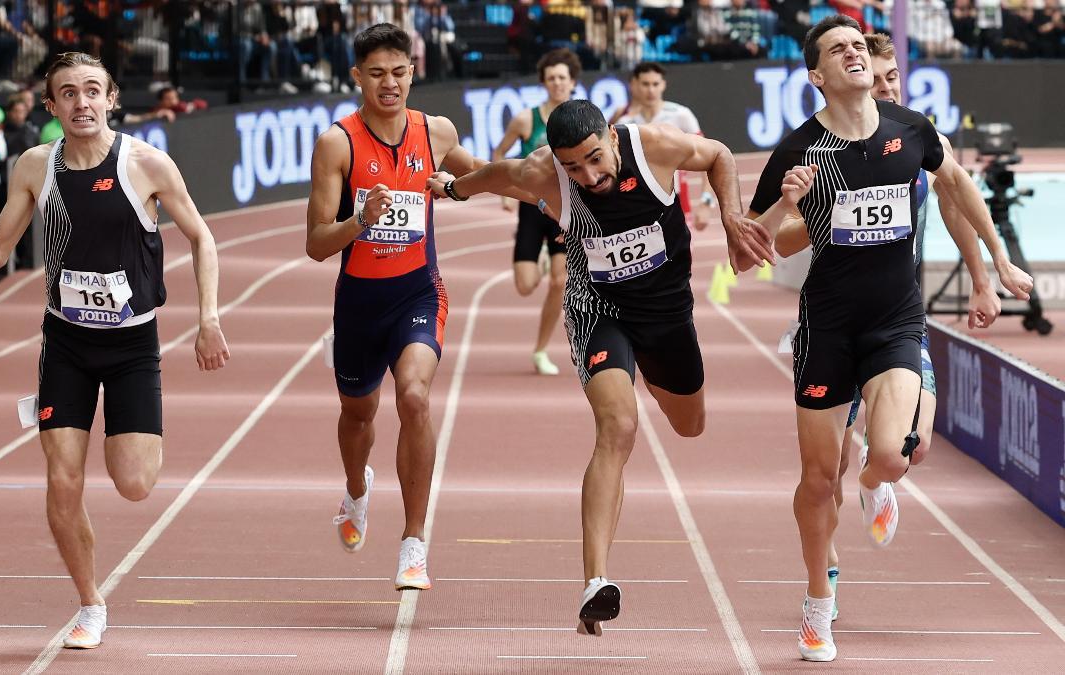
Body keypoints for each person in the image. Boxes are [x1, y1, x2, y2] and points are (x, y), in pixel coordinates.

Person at [746, 15, 1033, 662]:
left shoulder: (912, 131)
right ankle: (819, 597)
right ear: (817, 76)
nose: (853, 51)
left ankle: (880, 479)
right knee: (820, 480)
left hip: (897, 319)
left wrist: (999, 262)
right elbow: (744, 256)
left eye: (859, 44)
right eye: (838, 48)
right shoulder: (797, 151)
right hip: (827, 326)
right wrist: (783, 206)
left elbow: (956, 185)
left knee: (896, 454)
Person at [426, 99, 773, 635]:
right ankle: (596, 582)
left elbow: (720, 154)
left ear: (612, 136)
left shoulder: (653, 146)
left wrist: (731, 216)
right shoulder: (547, 172)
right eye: (573, 168)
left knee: (690, 424)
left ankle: (653, 378)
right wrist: (453, 187)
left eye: (594, 159)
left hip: (666, 314)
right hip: (598, 310)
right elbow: (498, 176)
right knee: (618, 426)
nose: (588, 176)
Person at [0, 51, 230, 650]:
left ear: (112, 99)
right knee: (62, 478)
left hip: (132, 345)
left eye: (92, 90)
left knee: (133, 483)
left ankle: (129, 433)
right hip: (66, 343)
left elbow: (203, 239)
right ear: (51, 107)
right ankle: (90, 603)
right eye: (68, 93)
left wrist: (208, 318)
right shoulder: (33, 167)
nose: (82, 102)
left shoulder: (146, 164)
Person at [305, 23, 505, 591]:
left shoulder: (434, 132)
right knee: (358, 415)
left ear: (413, 72)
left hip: (419, 292)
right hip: (360, 303)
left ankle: (413, 543)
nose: (388, 84)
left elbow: (482, 176)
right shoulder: (337, 143)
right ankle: (356, 491)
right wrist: (359, 222)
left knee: (414, 397)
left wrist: (534, 191)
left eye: (398, 72)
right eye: (376, 74)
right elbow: (316, 243)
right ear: (356, 78)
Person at [490, 48, 579, 376]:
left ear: (572, 83)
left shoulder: (581, 118)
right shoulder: (527, 119)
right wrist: (505, 193)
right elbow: (500, 151)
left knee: (561, 281)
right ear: (544, 82)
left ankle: (541, 350)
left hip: (566, 210)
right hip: (531, 207)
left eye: (563, 78)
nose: (557, 83)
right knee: (525, 286)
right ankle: (539, 259)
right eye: (552, 78)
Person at [611, 62, 717, 231]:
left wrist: (706, 201)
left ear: (663, 85)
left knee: (683, 257)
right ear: (635, 86)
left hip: (678, 205)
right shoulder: (625, 124)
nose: (651, 90)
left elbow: (710, 159)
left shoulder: (681, 116)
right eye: (645, 84)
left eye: (655, 84)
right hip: (640, 208)